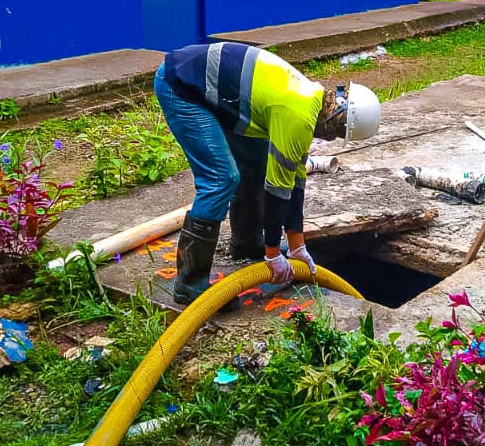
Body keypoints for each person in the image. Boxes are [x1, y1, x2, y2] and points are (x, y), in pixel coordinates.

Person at [154, 41, 381, 306]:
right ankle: (189, 285)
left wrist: (297, 245)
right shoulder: (297, 116)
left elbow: (295, 182)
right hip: (182, 85)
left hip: (219, 90)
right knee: (221, 179)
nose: (332, 138)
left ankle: (248, 245)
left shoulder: (310, 101)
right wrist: (274, 254)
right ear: (337, 120)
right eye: (339, 133)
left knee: (256, 164)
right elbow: (276, 190)